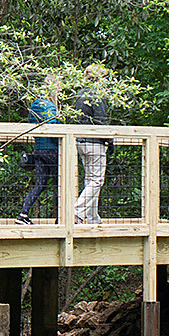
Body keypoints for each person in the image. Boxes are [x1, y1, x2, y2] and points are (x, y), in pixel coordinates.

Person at [73, 64, 113, 224]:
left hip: (81, 141)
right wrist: (109, 141)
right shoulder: (97, 95)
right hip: (95, 142)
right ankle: (77, 212)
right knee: (96, 180)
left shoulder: (80, 94)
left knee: (90, 179)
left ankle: (92, 217)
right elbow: (101, 120)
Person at [16, 90, 59, 225]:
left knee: (40, 183)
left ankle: (23, 213)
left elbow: (30, 123)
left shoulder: (34, 105)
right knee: (59, 184)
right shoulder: (50, 106)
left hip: (38, 149)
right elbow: (53, 128)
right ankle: (62, 217)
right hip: (52, 150)